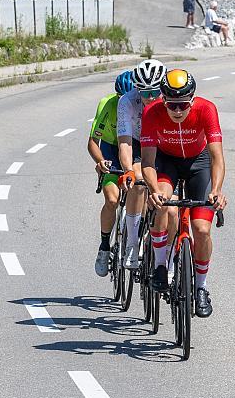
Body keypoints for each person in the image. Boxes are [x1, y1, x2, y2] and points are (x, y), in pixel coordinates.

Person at [140, 69, 227, 318]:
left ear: (192, 100)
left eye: (183, 105)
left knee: (201, 229)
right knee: (165, 204)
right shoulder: (152, 112)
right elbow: (147, 161)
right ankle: (159, 264)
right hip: (167, 162)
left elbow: (216, 157)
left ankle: (201, 288)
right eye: (172, 105)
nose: (178, 111)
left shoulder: (206, 109)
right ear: (163, 101)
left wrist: (217, 190)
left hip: (198, 162)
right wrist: (154, 191)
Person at [116, 59, 167, 270]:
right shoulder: (127, 102)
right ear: (137, 89)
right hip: (138, 143)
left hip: (164, 143)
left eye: (155, 92)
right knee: (137, 180)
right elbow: (125, 142)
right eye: (144, 93)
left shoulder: (170, 99)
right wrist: (128, 170)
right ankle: (132, 243)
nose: (150, 98)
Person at [88, 71, 134, 277]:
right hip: (110, 149)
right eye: (120, 98)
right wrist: (100, 161)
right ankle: (105, 246)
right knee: (112, 200)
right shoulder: (107, 104)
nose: (124, 102)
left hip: (134, 148)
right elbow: (92, 142)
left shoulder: (142, 105)